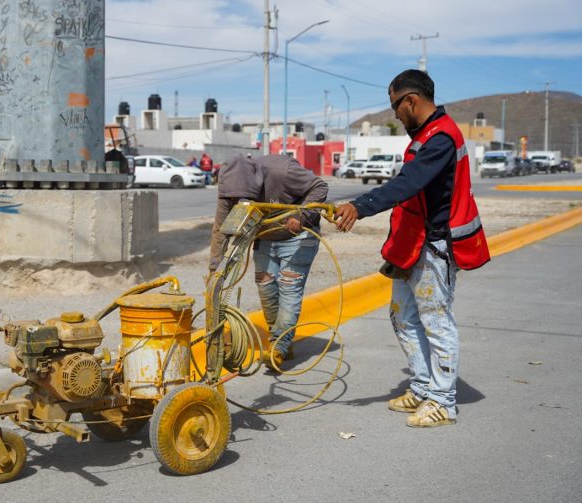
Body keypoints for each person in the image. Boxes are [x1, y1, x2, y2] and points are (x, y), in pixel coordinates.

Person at [334, 69, 490, 428]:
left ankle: (443, 402)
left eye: (395, 107)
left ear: (411, 101)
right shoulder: (427, 135)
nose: (395, 115)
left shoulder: (441, 137)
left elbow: (408, 183)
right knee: (402, 316)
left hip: (435, 245)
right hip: (413, 245)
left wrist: (360, 206)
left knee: (436, 321)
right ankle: (422, 387)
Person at [210, 154, 329, 370]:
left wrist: (302, 215)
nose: (240, 204)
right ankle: (282, 340)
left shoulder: (283, 170)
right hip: (266, 237)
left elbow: (320, 187)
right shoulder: (229, 188)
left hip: (298, 236)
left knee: (289, 287)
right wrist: (214, 267)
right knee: (265, 286)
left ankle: (278, 346)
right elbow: (220, 227)